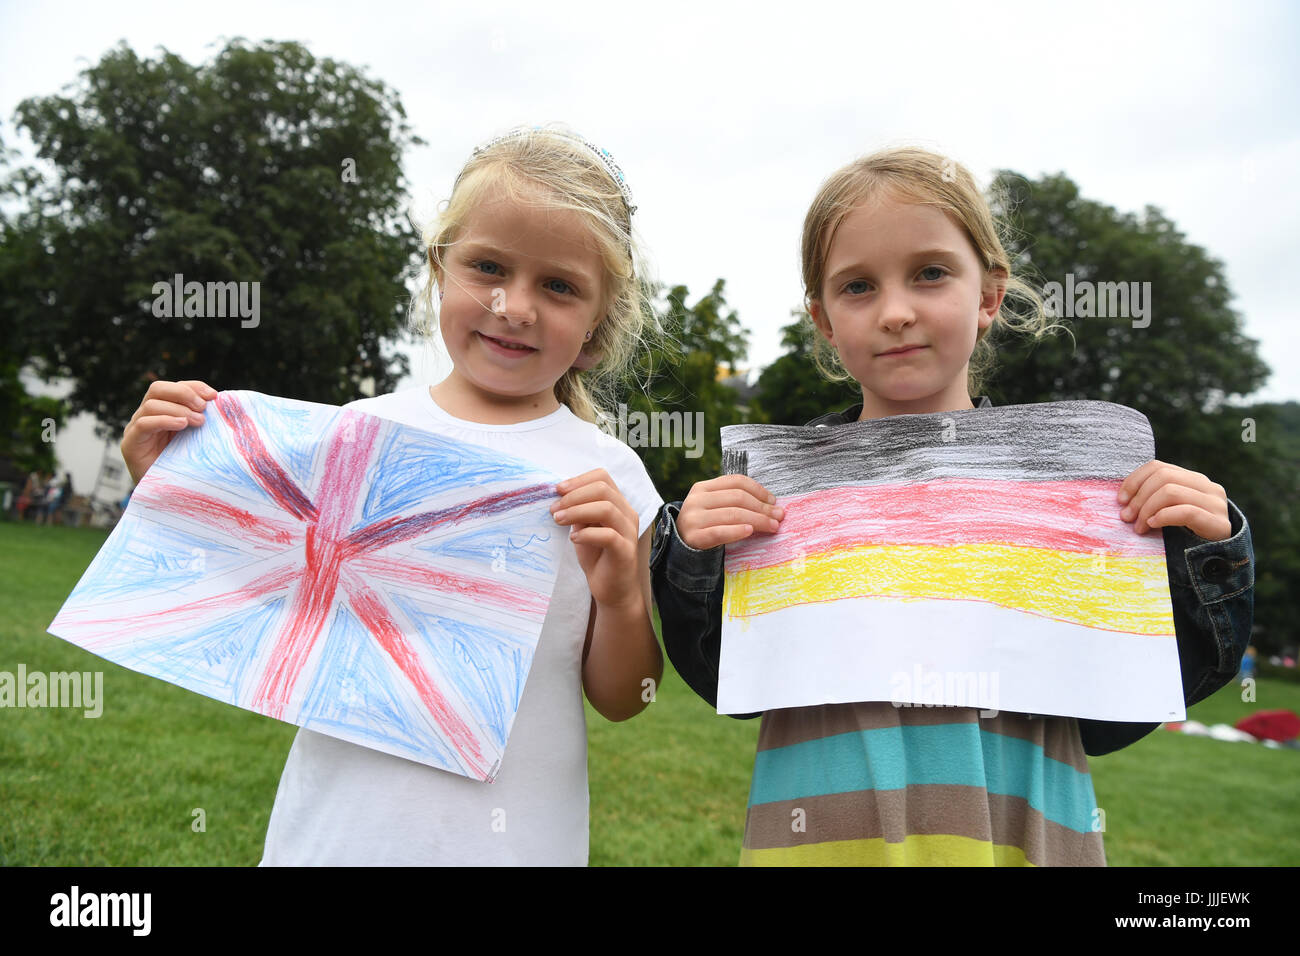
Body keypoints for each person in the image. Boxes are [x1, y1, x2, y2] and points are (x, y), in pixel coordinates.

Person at [650, 147, 1255, 866]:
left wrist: (1209, 552)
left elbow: (1117, 714)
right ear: (823, 320)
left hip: (1020, 838)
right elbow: (732, 683)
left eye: (930, 273)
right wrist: (689, 556)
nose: (896, 311)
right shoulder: (778, 499)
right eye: (857, 287)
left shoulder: (1079, 494)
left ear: (990, 296)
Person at [119, 126, 665, 865]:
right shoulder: (359, 432)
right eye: (488, 266)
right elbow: (261, 601)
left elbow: (625, 697)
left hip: (515, 842)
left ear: (600, 320)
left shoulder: (612, 477)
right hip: (341, 833)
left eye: (559, 286)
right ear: (441, 269)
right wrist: (169, 486)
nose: (514, 306)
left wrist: (623, 600)